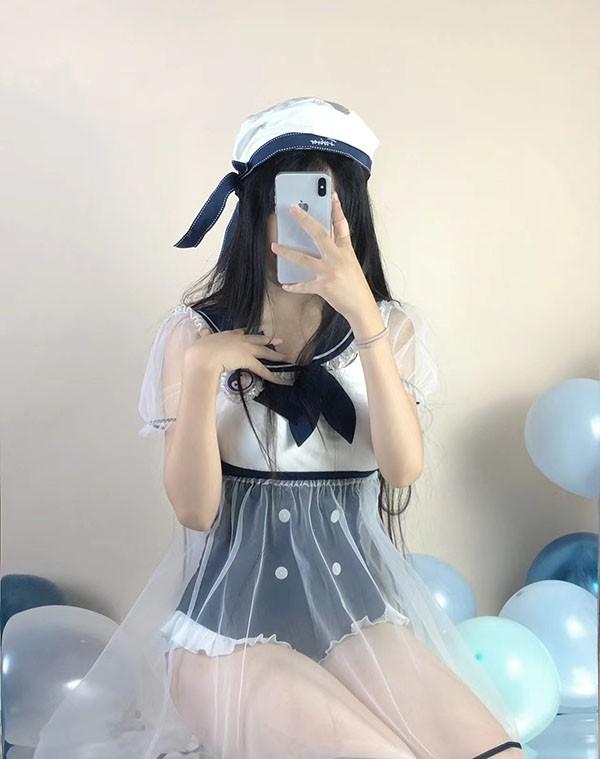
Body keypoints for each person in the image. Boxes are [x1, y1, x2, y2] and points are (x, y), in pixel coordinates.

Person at [33, 97, 524, 759]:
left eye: (323, 205)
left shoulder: (389, 329)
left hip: (358, 623)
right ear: (254, 211)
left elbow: (403, 469)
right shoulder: (193, 334)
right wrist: (203, 371)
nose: (303, 223)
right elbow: (195, 511)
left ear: (352, 214)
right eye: (286, 203)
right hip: (225, 635)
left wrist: (364, 318)